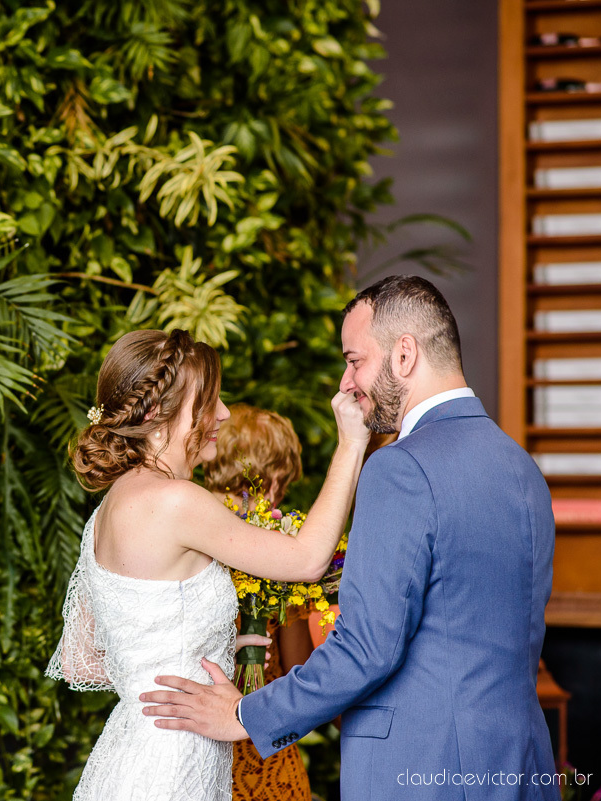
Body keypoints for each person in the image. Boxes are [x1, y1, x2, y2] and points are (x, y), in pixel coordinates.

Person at [141, 275, 557, 800]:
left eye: (355, 360)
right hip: (522, 766)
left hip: (423, 768)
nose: (345, 382)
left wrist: (243, 714)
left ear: (404, 354)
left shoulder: (400, 469)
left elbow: (368, 647)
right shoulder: (522, 468)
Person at [45, 328, 370, 801]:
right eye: (209, 401)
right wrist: (351, 445)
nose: (223, 414)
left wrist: (202, 645)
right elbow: (307, 559)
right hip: (176, 762)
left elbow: (86, 660)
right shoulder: (177, 500)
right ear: (157, 413)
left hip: (132, 748)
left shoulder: (105, 514)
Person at [202, 404, 314, 801]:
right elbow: (297, 671)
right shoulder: (282, 550)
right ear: (271, 479)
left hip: (196, 743)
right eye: (282, 480)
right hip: (261, 746)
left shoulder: (182, 528)